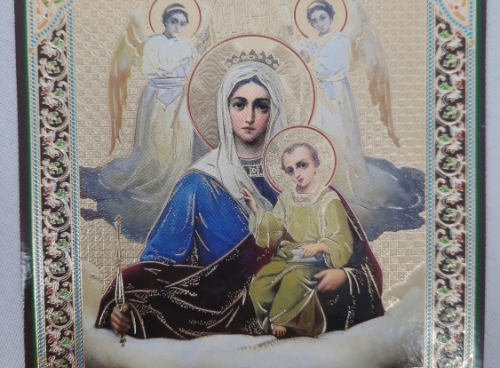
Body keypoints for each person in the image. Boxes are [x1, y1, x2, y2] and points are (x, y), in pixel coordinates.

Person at [96, 59, 383, 340]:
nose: (250, 117)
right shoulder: (199, 183)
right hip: (217, 303)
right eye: (239, 104)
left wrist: (345, 277)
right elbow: (159, 265)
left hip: (295, 294)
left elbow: (361, 264)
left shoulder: (306, 185)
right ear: (225, 109)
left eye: (261, 106)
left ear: (274, 110)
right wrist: (125, 302)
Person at [297, 0, 425, 240]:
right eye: (314, 21)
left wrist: (308, 60)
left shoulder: (340, 41)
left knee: (338, 140)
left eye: (322, 18)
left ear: (331, 17)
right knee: (318, 141)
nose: (319, 23)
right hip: (319, 100)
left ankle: (344, 187)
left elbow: (326, 68)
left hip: (335, 100)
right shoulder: (317, 42)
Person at [80, 3, 206, 242]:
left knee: (182, 148)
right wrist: (188, 53)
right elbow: (158, 68)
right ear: (165, 21)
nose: (178, 27)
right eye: (174, 21)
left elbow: (190, 69)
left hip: (179, 102)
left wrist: (197, 52)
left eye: (182, 23)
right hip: (158, 99)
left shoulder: (184, 45)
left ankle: (174, 187)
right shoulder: (153, 44)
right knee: (159, 150)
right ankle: (150, 186)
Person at [242, 142, 354, 338]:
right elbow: (275, 226)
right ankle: (268, 325)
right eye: (290, 170)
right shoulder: (286, 199)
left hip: (314, 260)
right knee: (260, 284)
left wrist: (319, 246)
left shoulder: (328, 199)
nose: (297, 174)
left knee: (294, 279)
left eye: (302, 165)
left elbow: (341, 238)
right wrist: (255, 209)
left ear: (316, 164)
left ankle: (282, 321)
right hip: (287, 257)